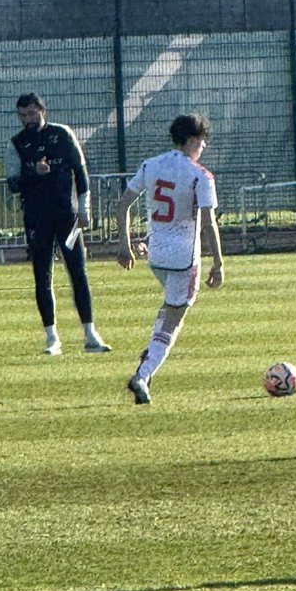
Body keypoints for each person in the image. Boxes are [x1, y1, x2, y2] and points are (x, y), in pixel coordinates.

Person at [115, 113, 225, 404]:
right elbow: (208, 222)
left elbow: (123, 204)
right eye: (202, 142)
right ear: (192, 140)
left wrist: (124, 246)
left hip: (157, 254)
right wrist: (219, 262)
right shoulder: (200, 175)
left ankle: (148, 357)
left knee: (169, 306)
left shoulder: (151, 165)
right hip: (184, 258)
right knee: (174, 319)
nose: (203, 147)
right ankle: (143, 373)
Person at [6, 92, 110, 355]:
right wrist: (33, 172)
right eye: (23, 115)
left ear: (43, 111)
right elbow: (13, 184)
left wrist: (84, 209)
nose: (28, 119)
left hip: (68, 218)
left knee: (78, 271)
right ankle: (52, 337)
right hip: (37, 219)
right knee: (42, 275)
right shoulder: (16, 144)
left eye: (32, 113)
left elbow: (81, 172)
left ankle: (90, 333)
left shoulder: (63, 135)